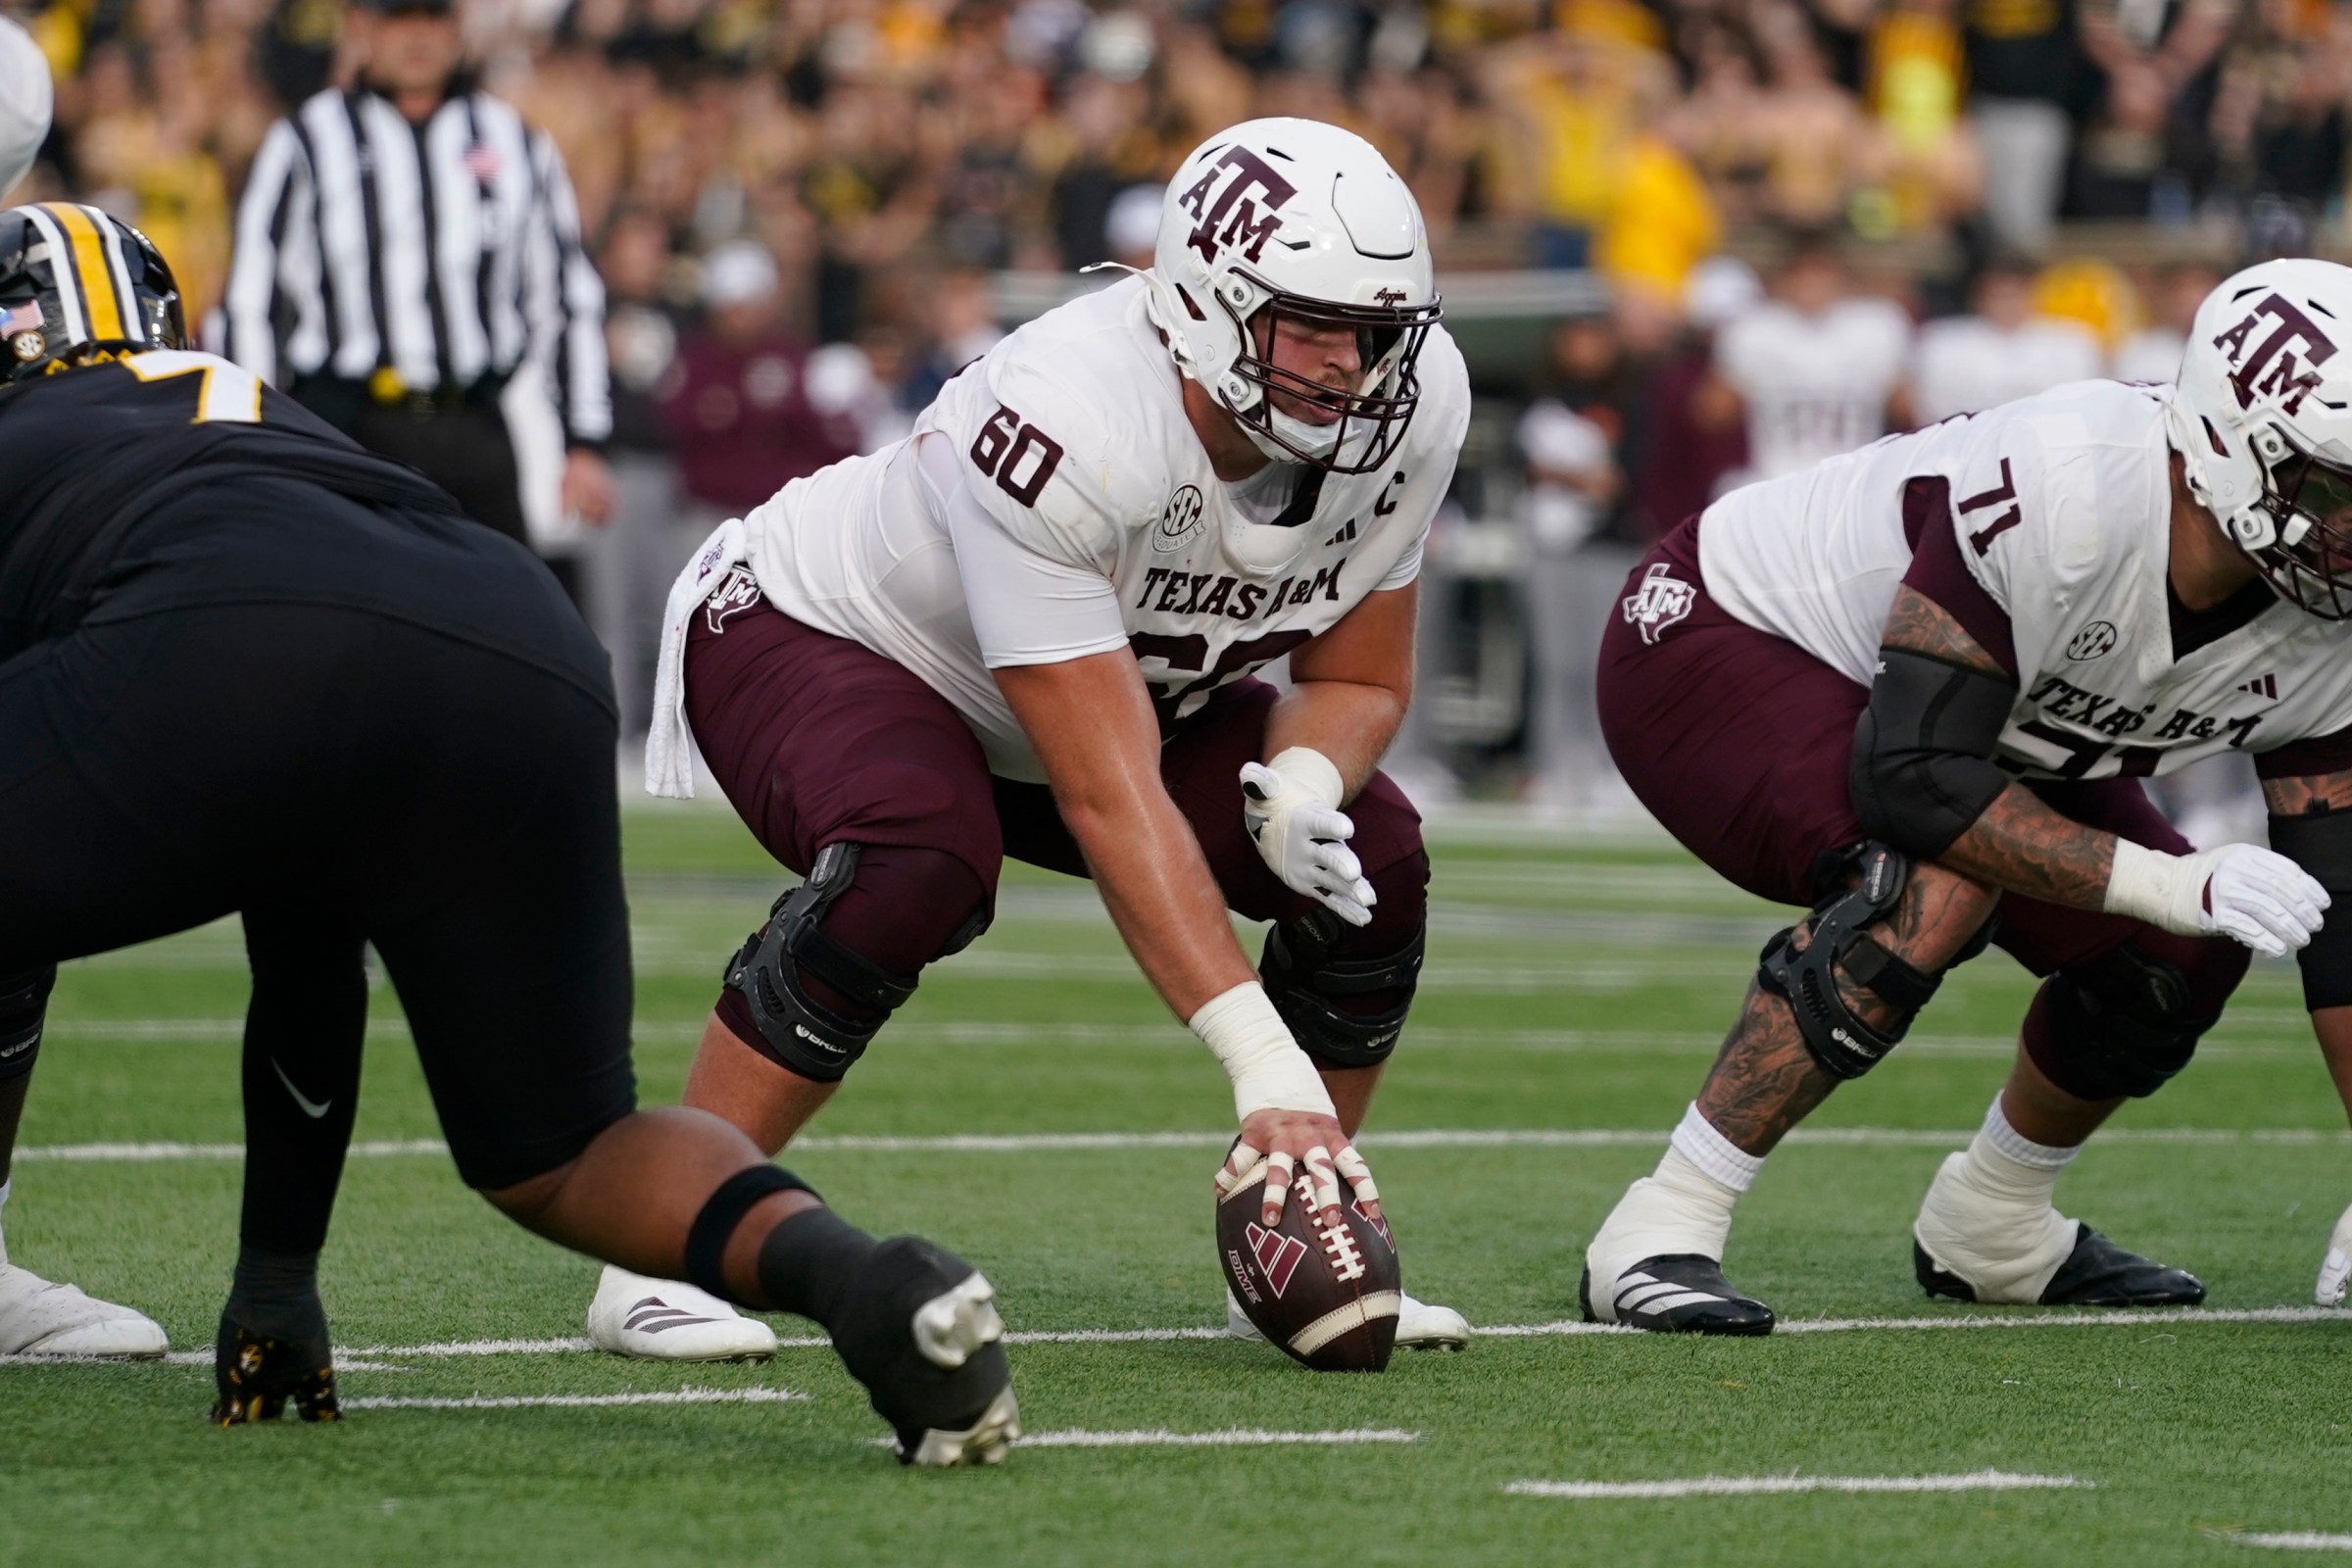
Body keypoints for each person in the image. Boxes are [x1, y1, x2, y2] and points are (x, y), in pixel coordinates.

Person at [0, 202, 1016, 1464]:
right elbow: (305, 903)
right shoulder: (258, 411)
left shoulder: (39, 430)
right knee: (565, 1156)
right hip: (511, 633)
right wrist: (274, 1284)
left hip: (225, 619)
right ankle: (869, 1283)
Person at [588, 119, 1475, 1361]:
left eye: (1375, 333)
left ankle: (1288, 1236)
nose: (1350, 369)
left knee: (1370, 862)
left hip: (1090, 680)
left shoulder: (1410, 408)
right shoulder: (1072, 415)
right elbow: (1111, 798)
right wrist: (1261, 1062)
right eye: (1312, 327)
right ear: (1213, 307)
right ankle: (661, 1242)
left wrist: (1306, 779)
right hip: (826, 630)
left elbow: (1360, 673)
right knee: (920, 859)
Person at [1582, 256, 2352, 1333]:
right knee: (1931, 882)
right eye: (2332, 491)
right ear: (2227, 449)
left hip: (1973, 725)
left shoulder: (2324, 618)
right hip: (1722, 637)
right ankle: (1662, 1222)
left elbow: (2341, 907)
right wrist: (2163, 879)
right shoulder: (2075, 487)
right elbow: (1909, 779)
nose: (2348, 527)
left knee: (2186, 952)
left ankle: (1993, 1221)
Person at [220, 0, 614, 594]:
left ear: (459, 29)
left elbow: (563, 293)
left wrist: (583, 439)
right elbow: (254, 299)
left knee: (514, 618)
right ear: (360, 27)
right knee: (353, 618)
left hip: (478, 423)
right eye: (398, 17)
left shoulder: (514, 142)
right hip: (351, 423)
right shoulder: (306, 141)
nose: (417, 37)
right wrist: (252, 435)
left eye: (433, 17)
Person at [1712, 229, 1912, 484]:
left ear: (1843, 278)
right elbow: (1714, 413)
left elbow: (1906, 408)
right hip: (1775, 477)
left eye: (1821, 273)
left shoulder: (1878, 325)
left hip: (1854, 477)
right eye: (1801, 274)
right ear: (1782, 280)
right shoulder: (1754, 328)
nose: (1812, 284)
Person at [1908, 255, 2104, 424]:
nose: (2008, 303)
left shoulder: (2072, 340)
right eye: (1999, 295)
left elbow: (2084, 406)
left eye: (2015, 294)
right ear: (1979, 296)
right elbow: (1926, 408)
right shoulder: (1942, 341)